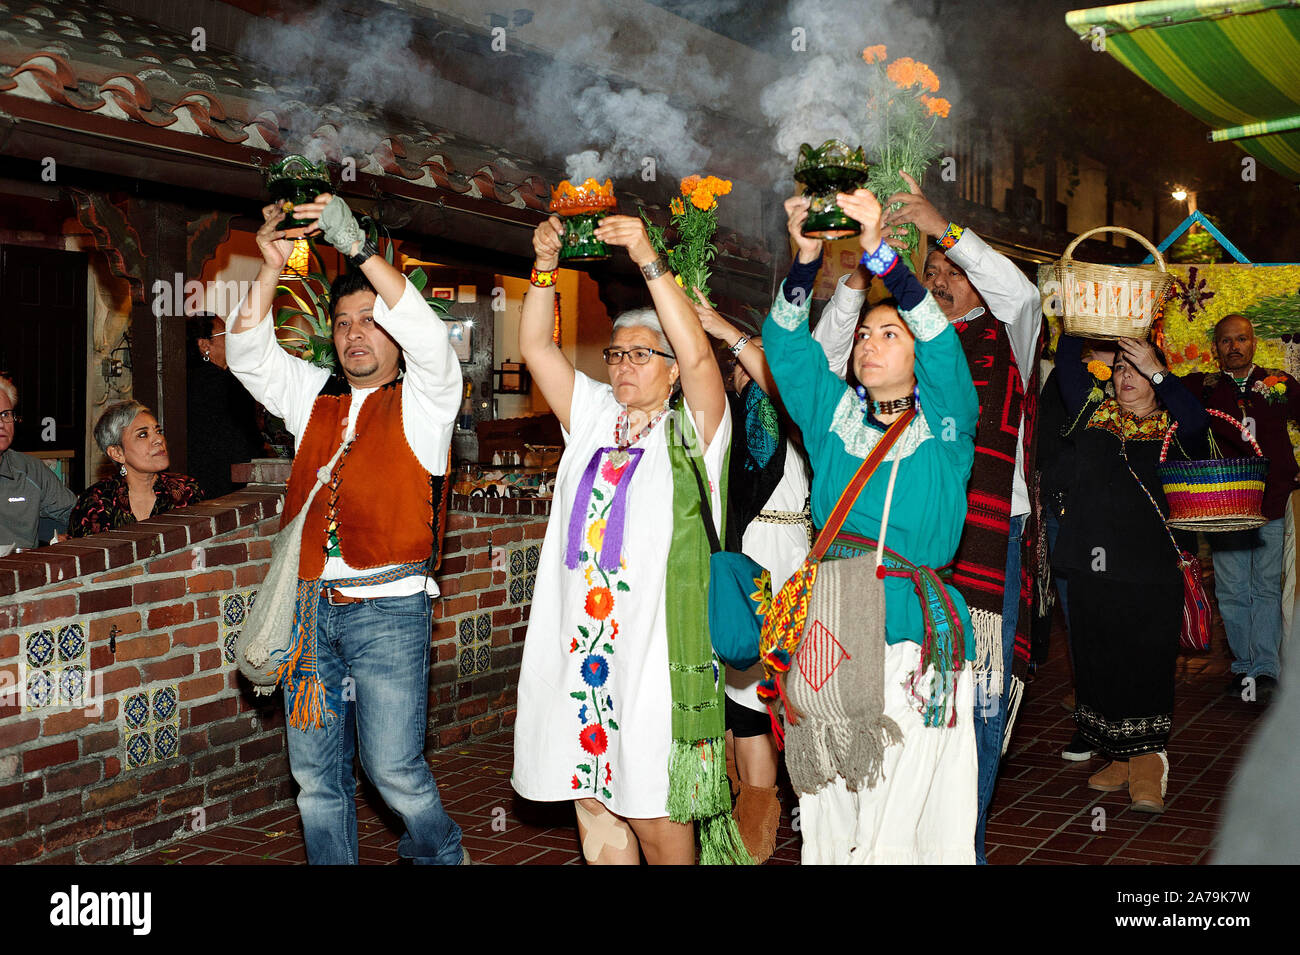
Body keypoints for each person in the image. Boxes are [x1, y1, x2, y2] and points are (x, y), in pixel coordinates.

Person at [808, 171, 1042, 862]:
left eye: (953, 269)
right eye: (930, 270)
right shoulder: (889, 346)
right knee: (884, 691)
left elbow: (1022, 292)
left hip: (987, 532)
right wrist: (858, 266)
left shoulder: (1011, 335)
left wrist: (940, 227)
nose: (940, 278)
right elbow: (820, 356)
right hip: (886, 547)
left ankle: (954, 835)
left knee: (974, 695)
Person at [226, 192, 464, 865]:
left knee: (393, 772)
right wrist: (268, 266)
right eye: (344, 322)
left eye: (371, 320)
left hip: (390, 612)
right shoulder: (317, 396)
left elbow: (429, 336)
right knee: (315, 782)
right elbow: (248, 357)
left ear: (394, 334)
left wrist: (359, 248)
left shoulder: (428, 398)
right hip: (309, 612)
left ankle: (442, 853)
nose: (355, 333)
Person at [512, 211, 747, 865]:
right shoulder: (591, 414)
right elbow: (535, 347)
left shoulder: (697, 429)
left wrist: (646, 255)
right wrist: (543, 268)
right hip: (581, 658)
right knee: (593, 805)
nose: (624, 365)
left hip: (653, 662)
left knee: (654, 814)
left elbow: (700, 352)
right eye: (617, 353)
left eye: (644, 353)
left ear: (672, 371)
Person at [766, 188, 978, 864]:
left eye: (891, 334)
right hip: (834, 627)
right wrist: (806, 258)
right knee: (832, 793)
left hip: (921, 634)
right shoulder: (833, 420)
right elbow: (785, 347)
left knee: (911, 794)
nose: (869, 343)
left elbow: (946, 350)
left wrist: (880, 254)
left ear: (917, 354)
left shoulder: (947, 427)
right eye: (863, 333)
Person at [1053, 333, 1208, 813]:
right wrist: (1082, 316)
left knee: (1144, 660)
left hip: (1149, 568)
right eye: (1120, 367)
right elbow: (1065, 366)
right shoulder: (1093, 415)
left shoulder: (1172, 425)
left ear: (1156, 379)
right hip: (1090, 563)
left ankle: (1148, 762)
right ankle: (1117, 754)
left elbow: (1200, 422)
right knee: (1097, 659)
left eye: (1136, 369)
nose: (1125, 377)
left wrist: (1158, 367)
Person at [694, 298, 811, 864]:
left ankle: (755, 839)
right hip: (769, 551)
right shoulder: (749, 403)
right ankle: (746, 826)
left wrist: (738, 347)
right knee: (746, 700)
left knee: (751, 701)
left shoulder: (769, 401)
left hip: (767, 557)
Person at [1180, 314, 1297, 704]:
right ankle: (1244, 666)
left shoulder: (1279, 383)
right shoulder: (1202, 387)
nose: (1234, 346)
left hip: (1272, 502)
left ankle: (1265, 670)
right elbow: (1163, 394)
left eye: (1242, 339)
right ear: (1216, 347)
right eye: (1226, 340)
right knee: (1231, 590)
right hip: (1225, 506)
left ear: (1253, 344)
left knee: (1265, 587)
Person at [69, 401, 202, 537]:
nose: (158, 439)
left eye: (158, 431)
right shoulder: (96, 502)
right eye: (143, 434)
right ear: (117, 453)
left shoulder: (187, 490)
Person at [186, 311, 264, 499]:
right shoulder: (227, 383)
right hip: (227, 486)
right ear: (205, 345)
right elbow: (248, 440)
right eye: (226, 334)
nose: (232, 340)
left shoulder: (181, 382)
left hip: (193, 486)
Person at [0, 375, 77, 550]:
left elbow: (77, 515)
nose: (1, 424)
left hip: (25, 571)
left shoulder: (30, 470)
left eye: (5, 414)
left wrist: (71, 536)